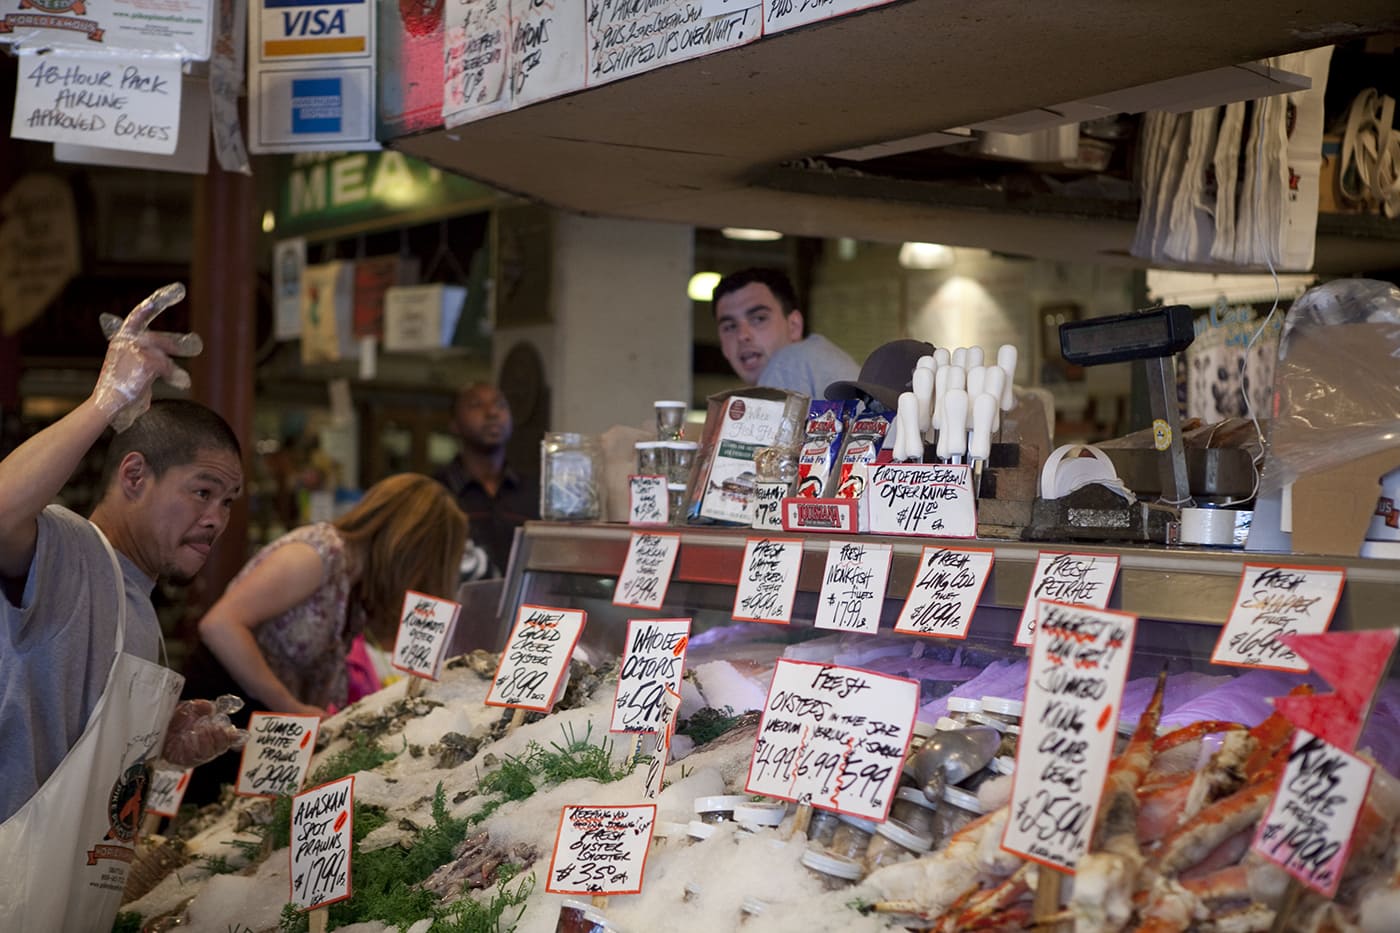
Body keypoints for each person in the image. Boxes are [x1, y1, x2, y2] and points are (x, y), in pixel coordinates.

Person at [0, 284, 246, 931]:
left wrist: (157, 742)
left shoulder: (139, 605)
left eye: (228, 502)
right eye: (202, 491)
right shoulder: (71, 548)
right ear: (134, 476)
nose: (216, 518)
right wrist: (105, 400)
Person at [191, 472, 468, 718]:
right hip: (220, 713)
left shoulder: (354, 582)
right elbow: (220, 625)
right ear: (411, 547)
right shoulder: (316, 554)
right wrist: (290, 706)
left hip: (262, 719)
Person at [434, 381, 539, 577]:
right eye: (476, 405)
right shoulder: (436, 493)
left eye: (500, 405)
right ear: (454, 424)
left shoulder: (535, 492)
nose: (492, 413)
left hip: (523, 606)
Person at [711, 267, 859, 399]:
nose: (742, 335)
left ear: (794, 326)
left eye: (759, 318)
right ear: (723, 346)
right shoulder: (815, 359)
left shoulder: (789, 361)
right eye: (730, 327)